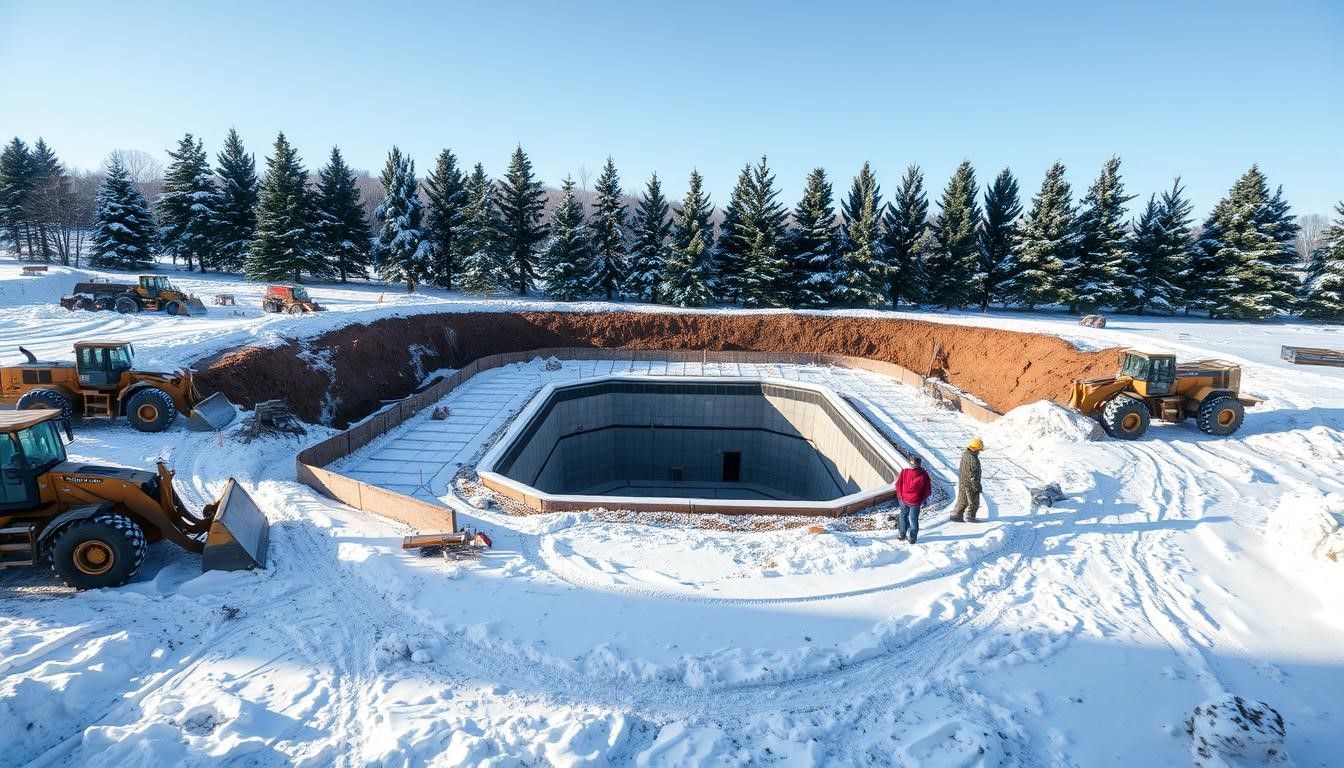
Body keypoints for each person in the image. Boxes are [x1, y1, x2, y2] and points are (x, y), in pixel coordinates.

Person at [894, 456, 932, 544]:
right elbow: (928, 490)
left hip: (907, 500)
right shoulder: (923, 475)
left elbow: (898, 484)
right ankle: (909, 537)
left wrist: (900, 495)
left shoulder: (906, 472)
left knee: (905, 516)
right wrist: (921, 499)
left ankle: (904, 535)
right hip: (912, 501)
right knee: (912, 519)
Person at [950, 437, 983, 522]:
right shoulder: (973, 459)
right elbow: (973, 475)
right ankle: (970, 517)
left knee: (962, 500)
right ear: (976, 449)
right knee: (973, 502)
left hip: (963, 482)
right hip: (970, 484)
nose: (980, 451)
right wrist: (977, 486)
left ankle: (956, 515)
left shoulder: (965, 454)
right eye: (979, 449)